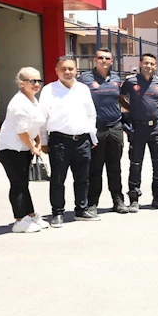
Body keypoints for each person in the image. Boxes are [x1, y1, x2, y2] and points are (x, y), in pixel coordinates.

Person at [39, 56, 99, 227]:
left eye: (71, 69)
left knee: (83, 178)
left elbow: (91, 114)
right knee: (58, 179)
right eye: (63, 69)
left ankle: (81, 209)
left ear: (76, 70)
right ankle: (58, 213)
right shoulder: (49, 90)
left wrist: (92, 136)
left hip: (82, 140)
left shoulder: (83, 89)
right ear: (56, 70)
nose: (67, 72)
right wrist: (43, 141)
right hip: (59, 141)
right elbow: (42, 118)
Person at [0, 67, 49, 233]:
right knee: (18, 184)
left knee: (23, 184)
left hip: (24, 148)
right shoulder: (19, 103)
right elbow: (22, 131)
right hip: (11, 149)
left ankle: (30, 215)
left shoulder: (32, 100)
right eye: (32, 81)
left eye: (39, 80)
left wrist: (38, 142)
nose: (37, 84)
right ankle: (19, 220)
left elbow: (34, 125)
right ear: (21, 83)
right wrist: (33, 147)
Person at [78, 47, 127, 215]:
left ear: (112, 61)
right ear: (95, 60)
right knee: (95, 168)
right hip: (95, 129)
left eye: (107, 58)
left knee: (115, 167)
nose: (104, 61)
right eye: (100, 58)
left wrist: (132, 110)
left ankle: (118, 200)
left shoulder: (116, 78)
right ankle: (92, 204)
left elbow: (120, 98)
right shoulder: (84, 79)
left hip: (115, 127)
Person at [119, 53, 158, 212]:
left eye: (152, 64)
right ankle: (134, 199)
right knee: (135, 164)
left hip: (155, 128)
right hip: (137, 128)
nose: (149, 66)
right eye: (146, 63)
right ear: (140, 64)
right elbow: (120, 97)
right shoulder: (131, 81)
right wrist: (130, 109)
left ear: (155, 66)